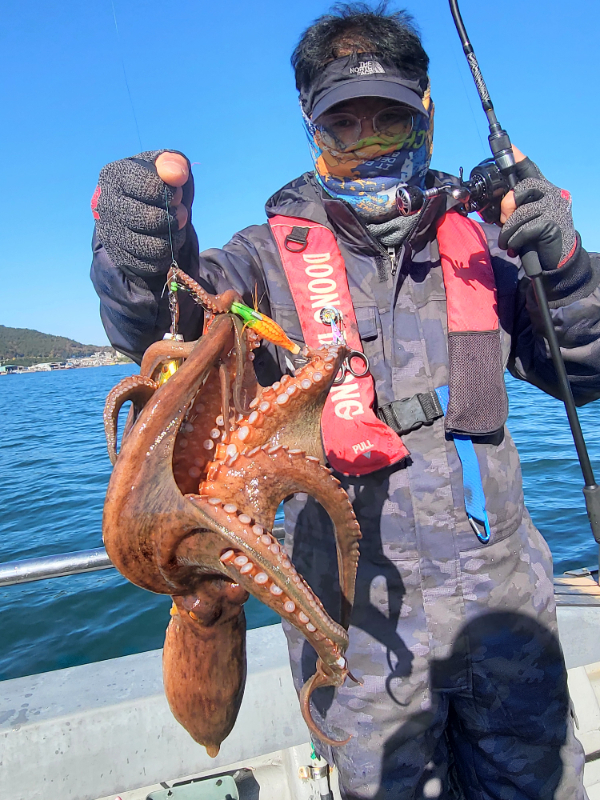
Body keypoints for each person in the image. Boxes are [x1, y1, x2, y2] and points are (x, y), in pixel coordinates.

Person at [91, 4, 600, 798]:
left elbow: (585, 367)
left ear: (425, 116)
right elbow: (172, 322)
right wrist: (142, 258)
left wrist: (566, 269)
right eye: (343, 126)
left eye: (388, 122)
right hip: (359, 639)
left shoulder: (485, 248)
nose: (368, 145)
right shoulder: (262, 260)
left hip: (506, 612)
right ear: (311, 127)